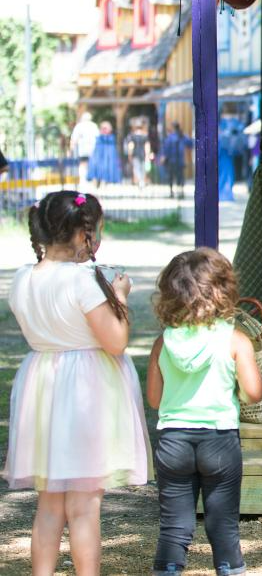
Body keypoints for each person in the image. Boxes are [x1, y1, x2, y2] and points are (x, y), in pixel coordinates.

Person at [2, 191, 150, 575]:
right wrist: (120, 297)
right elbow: (115, 342)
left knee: (49, 503)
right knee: (84, 504)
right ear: (84, 234)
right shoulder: (82, 282)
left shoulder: (22, 279)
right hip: (85, 390)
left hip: (42, 388)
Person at [146, 248, 262, 576]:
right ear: (224, 290)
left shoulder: (163, 342)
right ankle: (229, 569)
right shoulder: (235, 340)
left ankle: (168, 569)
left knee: (174, 525)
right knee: (223, 525)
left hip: (173, 442)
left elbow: (154, 400)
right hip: (220, 440)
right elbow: (254, 393)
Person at [161, 123, 194, 199]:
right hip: (180, 161)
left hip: (171, 161)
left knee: (171, 177)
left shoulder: (170, 137)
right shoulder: (182, 136)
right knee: (180, 177)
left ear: (173, 128)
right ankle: (181, 192)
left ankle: (171, 192)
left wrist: (163, 158)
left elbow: (166, 149)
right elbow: (191, 144)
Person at [87, 121, 122, 187]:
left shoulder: (111, 139)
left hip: (108, 157)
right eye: (103, 128)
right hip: (99, 156)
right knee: (97, 167)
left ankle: (104, 182)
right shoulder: (98, 138)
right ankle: (97, 182)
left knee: (107, 167)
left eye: (105, 128)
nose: (104, 130)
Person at [70, 111, 100, 186]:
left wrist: (72, 148)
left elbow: (74, 139)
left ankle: (83, 182)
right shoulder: (94, 126)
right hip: (92, 150)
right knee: (92, 165)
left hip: (83, 150)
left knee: (83, 165)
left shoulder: (79, 126)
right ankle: (93, 182)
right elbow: (98, 138)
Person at [124, 119, 152, 189]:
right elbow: (147, 146)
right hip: (143, 154)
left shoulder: (132, 136)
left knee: (136, 168)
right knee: (143, 168)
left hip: (135, 154)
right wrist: (147, 155)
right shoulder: (145, 136)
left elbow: (131, 146)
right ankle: (142, 180)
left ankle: (140, 180)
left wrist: (130, 154)